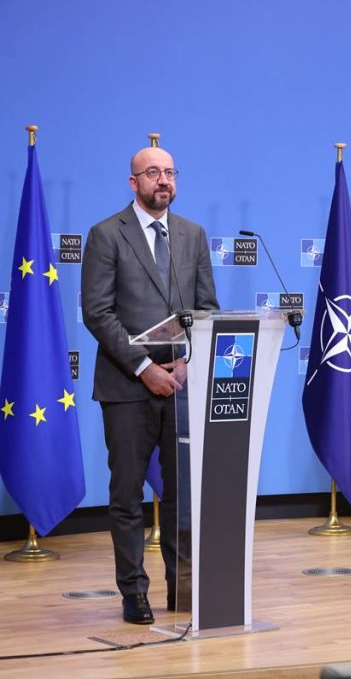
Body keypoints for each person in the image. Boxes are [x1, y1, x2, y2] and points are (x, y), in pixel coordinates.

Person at [82, 146, 219, 623]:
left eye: (170, 173)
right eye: (153, 173)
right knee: (126, 496)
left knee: (183, 493)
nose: (163, 180)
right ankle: (133, 593)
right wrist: (146, 368)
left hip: (181, 384)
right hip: (127, 385)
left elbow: (207, 309)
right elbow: (97, 312)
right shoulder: (105, 235)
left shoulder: (193, 235)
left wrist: (185, 362)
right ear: (133, 182)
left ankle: (182, 589)